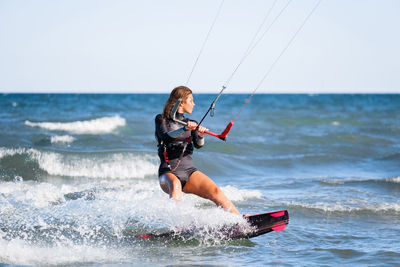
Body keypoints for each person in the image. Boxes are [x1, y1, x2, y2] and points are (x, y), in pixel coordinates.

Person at [155, 86, 241, 215]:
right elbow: (165, 136)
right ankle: (177, 225)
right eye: (190, 100)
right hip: (168, 172)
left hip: (189, 171)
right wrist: (184, 129)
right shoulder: (162, 119)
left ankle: (240, 221)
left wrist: (201, 136)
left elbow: (198, 145)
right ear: (181, 102)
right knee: (175, 184)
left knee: (215, 192)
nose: (193, 104)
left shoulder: (191, 122)